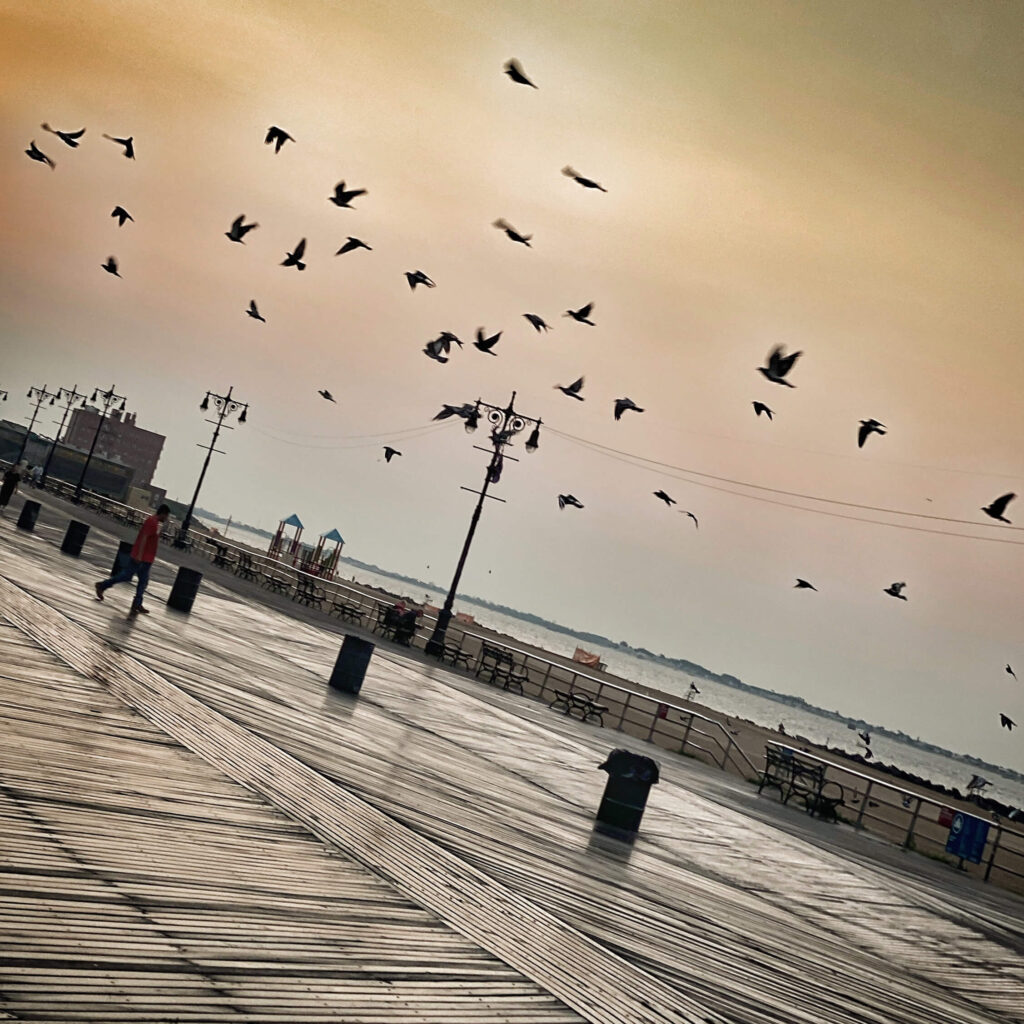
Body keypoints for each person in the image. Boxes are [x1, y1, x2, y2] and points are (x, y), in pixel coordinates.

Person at [94, 504, 171, 616]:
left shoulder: (155, 523)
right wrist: (139, 555)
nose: (167, 518)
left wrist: (162, 530)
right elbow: (144, 538)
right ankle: (103, 585)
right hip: (143, 557)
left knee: (142, 581)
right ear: (163, 513)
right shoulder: (152, 522)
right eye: (167, 516)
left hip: (147, 557)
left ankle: (137, 603)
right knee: (128, 576)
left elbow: (152, 538)